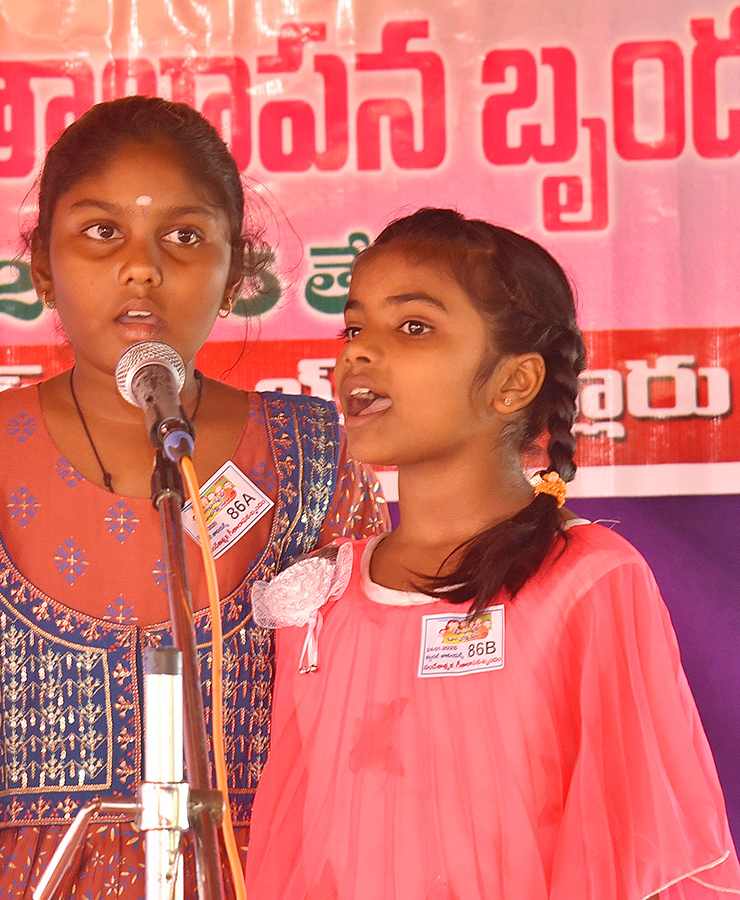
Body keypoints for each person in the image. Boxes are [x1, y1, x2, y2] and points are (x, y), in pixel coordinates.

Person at [0, 95, 387, 898]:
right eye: (101, 232)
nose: (142, 267)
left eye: (186, 238)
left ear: (236, 274)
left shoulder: (319, 459)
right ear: (42, 267)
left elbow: (371, 736)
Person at [246, 207, 740, 899]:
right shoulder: (318, 599)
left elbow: (638, 851)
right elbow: (285, 856)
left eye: (412, 327)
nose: (356, 353)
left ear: (514, 382)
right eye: (353, 327)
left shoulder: (589, 580)